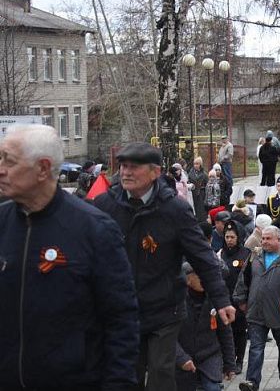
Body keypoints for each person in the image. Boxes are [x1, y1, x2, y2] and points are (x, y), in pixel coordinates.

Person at [0, 124, 138, 390]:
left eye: (10, 161)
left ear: (42, 168)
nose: (1, 168)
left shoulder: (94, 229)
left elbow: (121, 320)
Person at [93, 142, 234, 391]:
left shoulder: (175, 209)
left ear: (154, 172)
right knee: (125, 376)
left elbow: (203, 257)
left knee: (160, 373)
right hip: (122, 310)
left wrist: (221, 299)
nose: (126, 172)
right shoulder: (106, 206)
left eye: (134, 167)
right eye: (123, 166)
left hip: (164, 309)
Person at [233, 226, 280, 391]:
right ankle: (252, 381)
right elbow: (243, 279)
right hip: (256, 311)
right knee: (256, 347)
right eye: (263, 238)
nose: (264, 242)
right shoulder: (254, 256)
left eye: (268, 239)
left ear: (278, 240)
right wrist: (241, 299)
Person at [175, 262, 236, 391]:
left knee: (213, 388)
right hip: (183, 357)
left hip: (209, 355)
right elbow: (168, 337)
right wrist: (181, 358)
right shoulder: (176, 301)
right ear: (187, 279)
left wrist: (229, 364)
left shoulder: (216, 299)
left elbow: (225, 333)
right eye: (198, 275)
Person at [217, 222, 250, 374]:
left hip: (240, 301)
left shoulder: (246, 254)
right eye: (227, 237)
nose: (229, 239)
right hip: (224, 299)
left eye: (232, 237)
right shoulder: (219, 254)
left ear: (238, 238)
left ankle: (239, 360)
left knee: (239, 331)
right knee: (225, 330)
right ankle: (226, 360)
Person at [188, 157, 208, 222]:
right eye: (194, 164)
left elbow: (207, 184)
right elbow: (188, 182)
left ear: (200, 164)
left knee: (201, 212)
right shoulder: (190, 173)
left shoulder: (204, 174)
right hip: (193, 194)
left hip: (201, 194)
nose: (195, 165)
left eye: (197, 164)